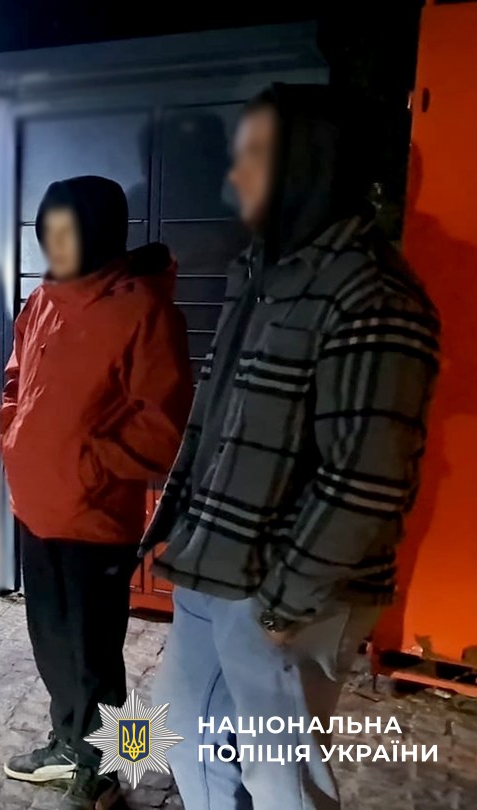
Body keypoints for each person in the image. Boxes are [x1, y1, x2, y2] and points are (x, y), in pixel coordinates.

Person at [143, 85, 440, 810]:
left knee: (281, 781)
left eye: (255, 156)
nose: (235, 175)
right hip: (215, 562)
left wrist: (286, 602)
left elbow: (366, 477)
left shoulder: (371, 293)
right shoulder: (261, 271)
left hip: (289, 588)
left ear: (309, 164)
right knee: (176, 730)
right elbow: (220, 420)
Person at [0, 176, 193, 809]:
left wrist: (87, 461)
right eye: (46, 232)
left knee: (97, 656)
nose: (55, 245)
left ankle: (114, 767)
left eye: (68, 232)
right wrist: (13, 438)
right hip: (36, 505)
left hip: (95, 516)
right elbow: (15, 381)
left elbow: (162, 428)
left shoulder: (144, 310)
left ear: (101, 234)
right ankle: (71, 745)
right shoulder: (42, 301)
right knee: (56, 648)